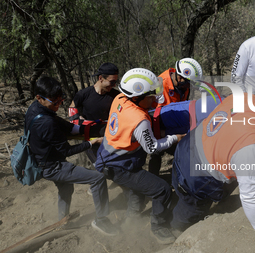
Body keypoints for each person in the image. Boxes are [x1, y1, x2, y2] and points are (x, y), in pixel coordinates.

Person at [170, 93, 255, 249]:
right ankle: (179, 228)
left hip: (189, 144)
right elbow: (250, 195)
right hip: (197, 176)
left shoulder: (248, 97)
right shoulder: (252, 147)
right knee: (193, 205)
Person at [95, 68, 185, 244]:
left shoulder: (120, 98)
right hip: (119, 166)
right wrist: (175, 138)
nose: (155, 98)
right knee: (162, 190)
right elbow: (152, 147)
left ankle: (132, 220)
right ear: (138, 97)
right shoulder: (139, 120)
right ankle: (158, 227)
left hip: (108, 158)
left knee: (138, 189)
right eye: (151, 96)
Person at [26, 76, 118, 235]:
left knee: (66, 189)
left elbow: (60, 122)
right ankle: (102, 220)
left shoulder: (36, 109)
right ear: (39, 98)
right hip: (53, 167)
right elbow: (67, 151)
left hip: (42, 160)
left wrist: (83, 129)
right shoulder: (46, 123)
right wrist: (91, 142)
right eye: (54, 102)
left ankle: (63, 220)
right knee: (97, 178)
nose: (57, 105)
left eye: (60, 101)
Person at [149, 58, 203, 175]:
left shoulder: (184, 86)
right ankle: (154, 179)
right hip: (157, 122)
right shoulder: (159, 84)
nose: (189, 86)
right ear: (180, 77)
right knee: (157, 153)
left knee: (184, 149)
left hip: (175, 121)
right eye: (188, 83)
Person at [69, 62, 120, 169]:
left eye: (115, 82)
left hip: (110, 139)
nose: (114, 85)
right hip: (91, 141)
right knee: (100, 168)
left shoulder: (116, 95)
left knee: (115, 167)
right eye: (112, 82)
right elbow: (72, 109)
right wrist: (79, 120)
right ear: (101, 78)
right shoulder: (83, 94)